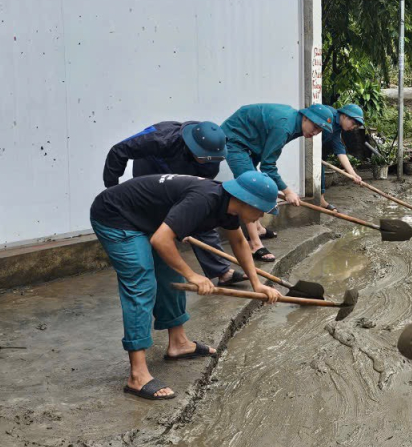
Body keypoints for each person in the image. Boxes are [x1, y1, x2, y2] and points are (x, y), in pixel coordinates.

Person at [90, 171, 283, 401]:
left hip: (146, 217)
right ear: (246, 200)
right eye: (261, 209)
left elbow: (239, 241)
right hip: (115, 214)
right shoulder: (204, 199)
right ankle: (137, 375)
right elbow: (161, 239)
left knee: (170, 273)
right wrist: (193, 275)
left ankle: (179, 343)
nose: (261, 215)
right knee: (141, 282)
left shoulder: (229, 204)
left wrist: (257, 284)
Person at [103, 120, 247, 287]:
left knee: (202, 214)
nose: (207, 161)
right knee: (155, 223)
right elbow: (118, 151)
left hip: (185, 177)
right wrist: (112, 189)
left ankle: (221, 271)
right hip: (152, 174)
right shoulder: (160, 138)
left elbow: (204, 200)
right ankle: (154, 264)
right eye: (203, 157)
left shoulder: (212, 157)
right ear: (192, 146)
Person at [221, 103, 364, 262]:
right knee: (252, 190)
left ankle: (259, 229)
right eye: (315, 126)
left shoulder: (298, 126)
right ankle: (255, 244)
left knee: (255, 182)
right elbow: (268, 166)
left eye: (320, 130)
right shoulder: (285, 127)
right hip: (235, 140)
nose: (315, 132)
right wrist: (287, 191)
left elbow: (268, 156)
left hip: (252, 141)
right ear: (305, 117)